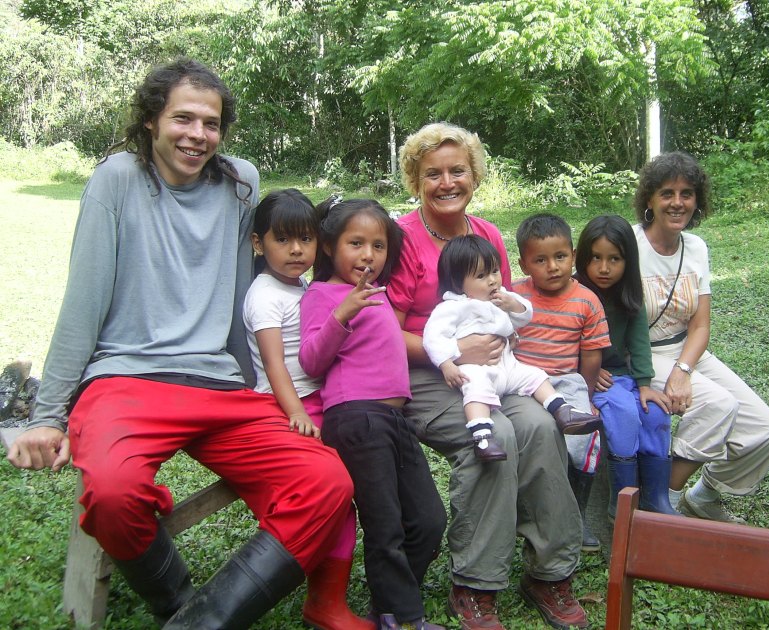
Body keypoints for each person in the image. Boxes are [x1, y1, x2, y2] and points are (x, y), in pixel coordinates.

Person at [5, 58, 354, 629]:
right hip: (128, 380)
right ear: (151, 119)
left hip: (221, 386)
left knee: (326, 481)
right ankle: (179, 605)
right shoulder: (117, 178)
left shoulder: (240, 182)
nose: (198, 135)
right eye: (183, 119)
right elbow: (82, 302)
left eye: (211, 123)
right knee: (114, 493)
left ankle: (199, 624)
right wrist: (48, 417)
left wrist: (263, 383)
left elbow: (247, 290)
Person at [389, 122, 589, 630]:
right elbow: (385, 333)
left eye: (457, 170)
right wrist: (457, 351)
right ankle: (475, 583)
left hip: (496, 371)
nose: (447, 182)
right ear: (416, 180)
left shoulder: (488, 235)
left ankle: (549, 572)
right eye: (433, 173)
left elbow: (505, 306)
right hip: (429, 374)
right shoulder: (402, 239)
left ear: (474, 175)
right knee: (492, 436)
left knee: (540, 426)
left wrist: (501, 345)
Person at [298, 197, 447, 630]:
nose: (368, 255)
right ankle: (402, 617)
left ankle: (389, 604)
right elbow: (311, 361)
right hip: (357, 418)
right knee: (385, 524)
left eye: (378, 246)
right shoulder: (323, 295)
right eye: (356, 243)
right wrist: (342, 314)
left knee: (428, 519)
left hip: (395, 421)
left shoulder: (380, 294)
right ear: (330, 246)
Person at [242, 189, 373, 630]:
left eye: (306, 239)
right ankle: (325, 603)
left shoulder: (301, 286)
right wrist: (296, 411)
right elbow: (274, 364)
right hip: (287, 404)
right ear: (258, 243)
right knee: (334, 499)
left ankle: (328, 598)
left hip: (319, 398)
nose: (297, 250)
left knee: (350, 490)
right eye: (283, 240)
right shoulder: (265, 295)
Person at [634, 151, 769, 524]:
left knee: (767, 431)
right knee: (717, 403)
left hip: (686, 350)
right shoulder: (630, 245)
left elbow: (701, 325)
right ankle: (660, 501)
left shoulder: (697, 248)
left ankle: (703, 495)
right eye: (667, 193)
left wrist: (683, 369)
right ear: (650, 199)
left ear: (697, 200)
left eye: (687, 193)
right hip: (641, 353)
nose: (677, 202)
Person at [423, 234, 602, 461]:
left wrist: (513, 304)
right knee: (476, 389)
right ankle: (482, 436)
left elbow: (523, 317)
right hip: (477, 368)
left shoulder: (501, 298)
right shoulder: (453, 307)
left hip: (508, 365)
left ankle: (562, 410)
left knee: (535, 376)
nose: (492, 281)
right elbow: (433, 337)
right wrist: (446, 363)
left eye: (494, 271)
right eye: (481, 276)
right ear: (459, 284)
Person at [511, 213, 610, 554]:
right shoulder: (515, 296)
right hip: (521, 380)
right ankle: (523, 512)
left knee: (584, 438)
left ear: (573, 255)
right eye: (540, 260)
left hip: (566, 382)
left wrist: (587, 396)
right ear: (524, 264)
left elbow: (592, 357)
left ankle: (575, 513)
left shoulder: (586, 300)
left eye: (560, 257)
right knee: (523, 438)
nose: (552, 267)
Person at [574, 214, 678, 518]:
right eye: (596, 257)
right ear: (583, 257)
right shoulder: (574, 292)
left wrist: (645, 384)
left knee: (655, 413)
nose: (604, 268)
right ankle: (621, 504)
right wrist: (588, 370)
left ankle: (656, 499)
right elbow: (564, 340)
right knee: (624, 414)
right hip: (592, 378)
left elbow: (639, 340)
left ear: (628, 260)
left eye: (614, 259)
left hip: (623, 376)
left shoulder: (629, 293)